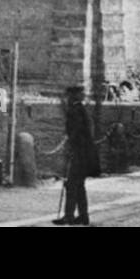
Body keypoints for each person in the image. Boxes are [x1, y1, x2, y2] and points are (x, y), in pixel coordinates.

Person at [54, 84, 96, 226]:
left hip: (78, 153)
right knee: (79, 185)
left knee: (71, 184)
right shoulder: (82, 109)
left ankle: (69, 216)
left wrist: (71, 148)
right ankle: (83, 216)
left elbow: (76, 132)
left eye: (69, 96)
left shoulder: (74, 111)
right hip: (84, 153)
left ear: (73, 96)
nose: (67, 98)